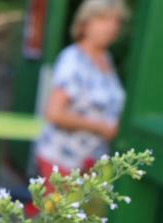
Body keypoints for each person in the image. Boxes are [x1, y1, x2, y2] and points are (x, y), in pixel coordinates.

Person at [35, 0, 128, 181]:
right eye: (103, 19)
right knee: (62, 209)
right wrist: (102, 128)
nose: (111, 27)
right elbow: (54, 113)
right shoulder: (73, 60)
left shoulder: (105, 58)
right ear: (85, 23)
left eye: (116, 21)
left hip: (93, 162)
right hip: (64, 160)